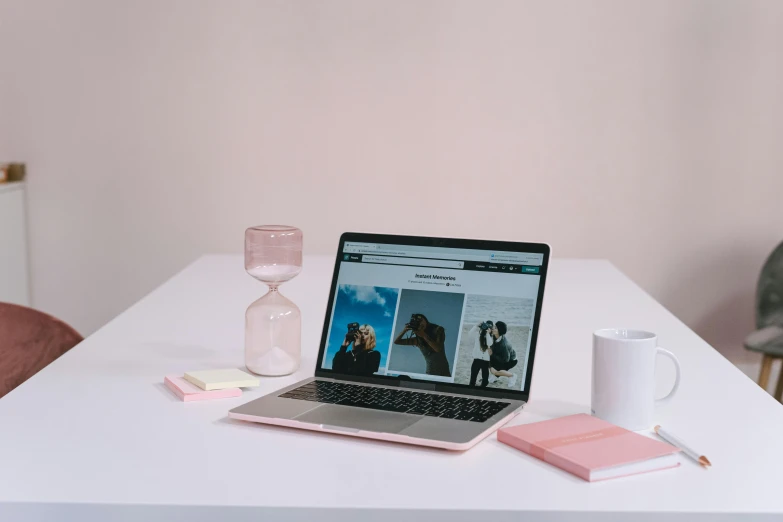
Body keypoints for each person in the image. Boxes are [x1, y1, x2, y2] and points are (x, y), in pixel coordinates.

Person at [488, 321, 519, 388]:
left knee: (495, 371)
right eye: (494, 326)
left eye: (495, 328)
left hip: (511, 360)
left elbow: (505, 360)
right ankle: (495, 375)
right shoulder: (495, 335)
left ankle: (512, 376)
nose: (493, 328)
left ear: (500, 331)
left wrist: (492, 355)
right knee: (490, 365)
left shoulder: (503, 345)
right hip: (501, 356)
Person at [467, 321, 493, 387]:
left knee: (485, 381)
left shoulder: (490, 337)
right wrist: (476, 325)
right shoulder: (478, 335)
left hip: (485, 361)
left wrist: (487, 334)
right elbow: (470, 334)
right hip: (477, 360)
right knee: (472, 379)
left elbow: (489, 343)